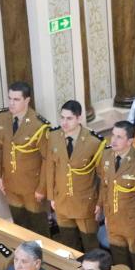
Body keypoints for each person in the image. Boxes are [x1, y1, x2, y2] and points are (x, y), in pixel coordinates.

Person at [43, 100, 105, 252]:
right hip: (61, 201)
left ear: (79, 118)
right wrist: (51, 197)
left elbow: (103, 177)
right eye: (62, 118)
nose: (64, 122)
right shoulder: (53, 136)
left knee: (90, 245)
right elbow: (50, 168)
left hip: (85, 203)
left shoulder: (93, 142)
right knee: (68, 245)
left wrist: (100, 203)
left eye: (69, 118)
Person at [0, 81, 51, 235]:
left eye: (16, 99)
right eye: (10, 98)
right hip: (10, 184)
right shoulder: (2, 117)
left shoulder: (39, 125)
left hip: (32, 187)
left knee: (39, 228)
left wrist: (42, 188)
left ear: (27, 100)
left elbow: (47, 160)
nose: (11, 103)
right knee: (20, 226)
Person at [96, 120, 135, 270]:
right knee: (120, 266)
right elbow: (105, 185)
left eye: (119, 137)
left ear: (130, 141)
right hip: (113, 220)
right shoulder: (106, 155)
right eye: (113, 135)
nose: (113, 140)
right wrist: (100, 206)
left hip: (133, 225)